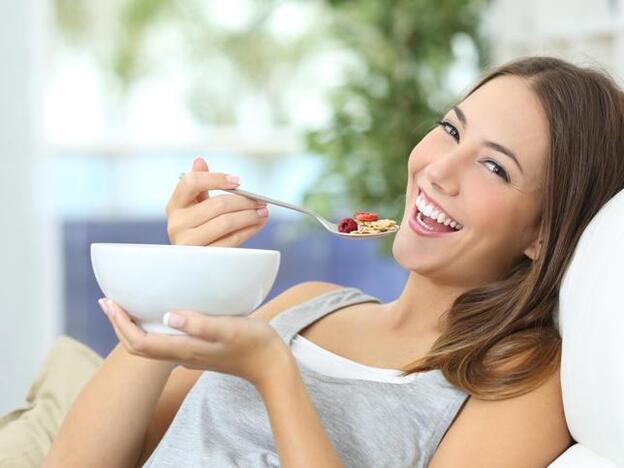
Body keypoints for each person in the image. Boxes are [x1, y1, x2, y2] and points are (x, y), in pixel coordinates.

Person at [44, 56, 624, 468]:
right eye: (450, 130)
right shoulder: (308, 305)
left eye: (494, 167)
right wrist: (183, 277)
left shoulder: (520, 379)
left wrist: (276, 376)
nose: (439, 170)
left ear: (543, 235)